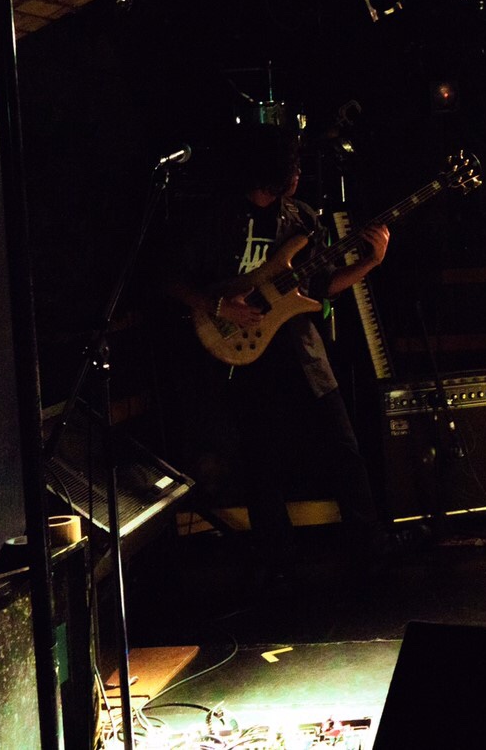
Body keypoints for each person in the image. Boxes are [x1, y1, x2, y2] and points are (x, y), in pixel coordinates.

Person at [161, 122, 396, 586]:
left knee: (344, 447)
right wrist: (217, 305)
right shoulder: (217, 218)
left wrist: (370, 261)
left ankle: (371, 548)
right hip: (245, 357)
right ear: (272, 169)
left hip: (303, 352)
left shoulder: (302, 219)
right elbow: (169, 278)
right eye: (293, 164)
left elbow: (323, 285)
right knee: (260, 462)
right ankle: (278, 562)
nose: (299, 173)